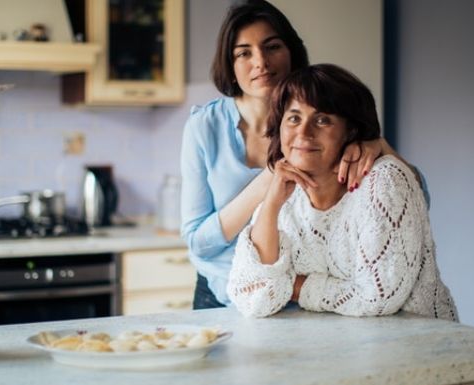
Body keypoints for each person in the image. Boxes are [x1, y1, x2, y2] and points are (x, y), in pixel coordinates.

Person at [181, 0, 427, 310]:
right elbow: (198, 243)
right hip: (225, 294)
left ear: (292, 54)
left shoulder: (327, 122)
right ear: (229, 65)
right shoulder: (204, 127)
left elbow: (414, 202)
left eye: (272, 47)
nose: (260, 62)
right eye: (244, 52)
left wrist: (379, 146)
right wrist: (270, 181)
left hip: (312, 296)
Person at [227, 64, 458, 321]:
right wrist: (270, 205)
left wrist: (294, 286)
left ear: (351, 130)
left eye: (322, 120)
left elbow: (378, 298)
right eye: (293, 118)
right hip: (338, 348)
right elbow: (251, 297)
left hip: (419, 347)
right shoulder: (285, 195)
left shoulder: (384, 180)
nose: (303, 132)